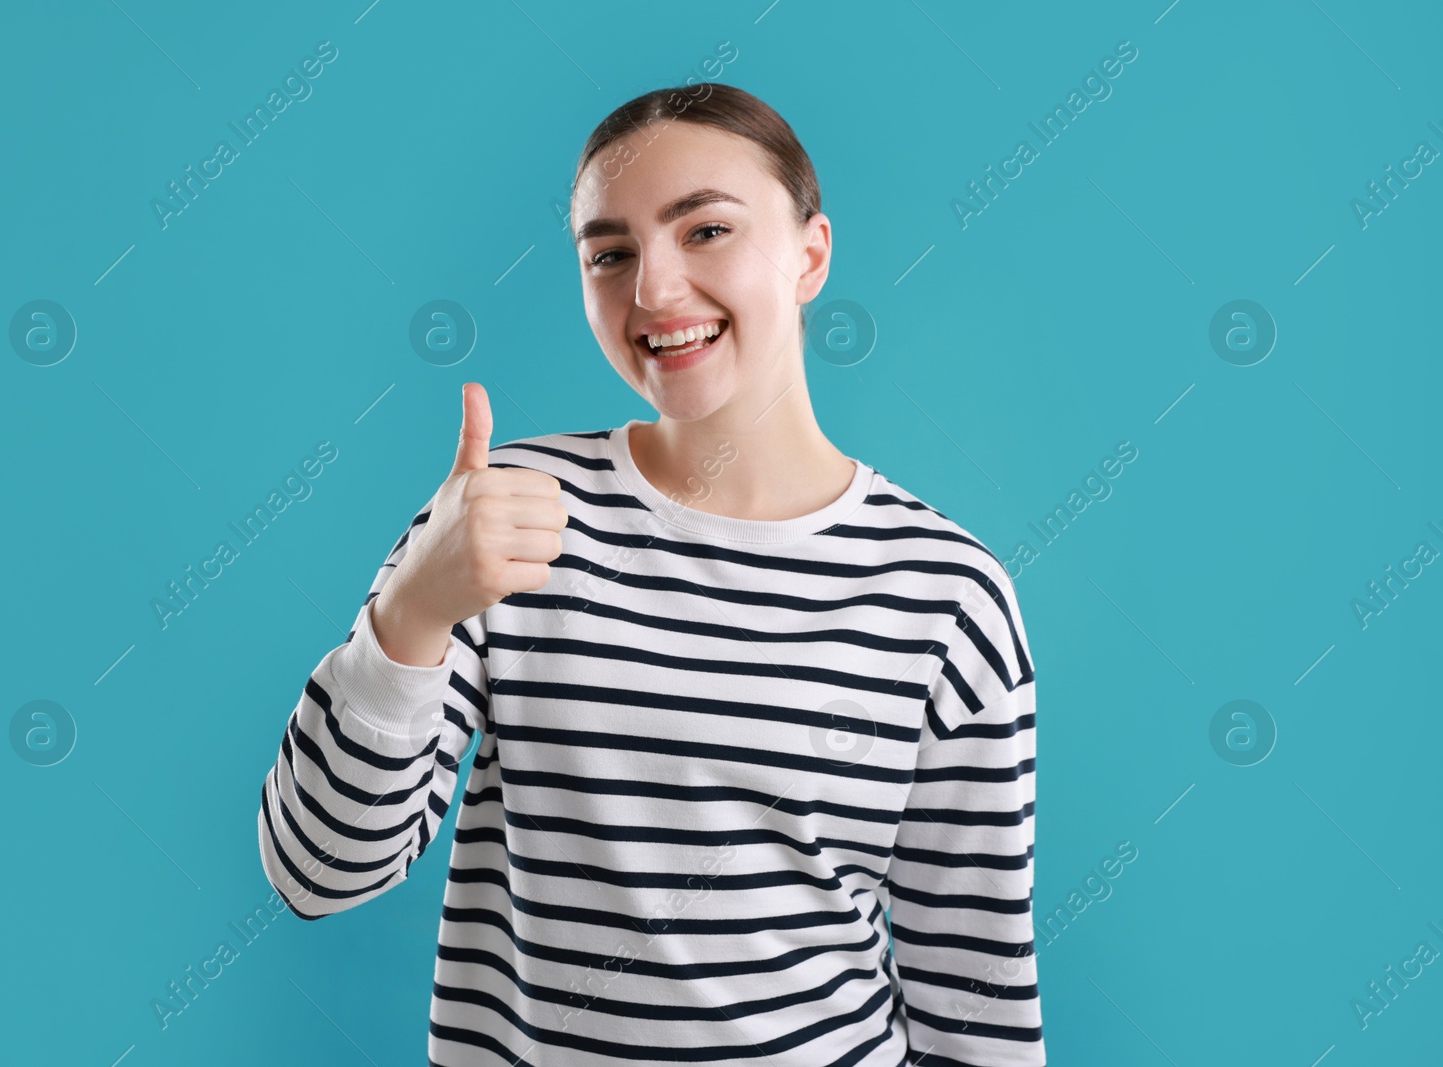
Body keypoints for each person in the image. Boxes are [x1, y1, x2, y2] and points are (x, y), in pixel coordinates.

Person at [258, 82, 1045, 1067]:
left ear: (810, 254)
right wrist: (411, 610)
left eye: (706, 229)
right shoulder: (503, 516)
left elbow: (973, 990)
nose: (653, 291)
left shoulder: (947, 594)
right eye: (609, 252)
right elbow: (316, 869)